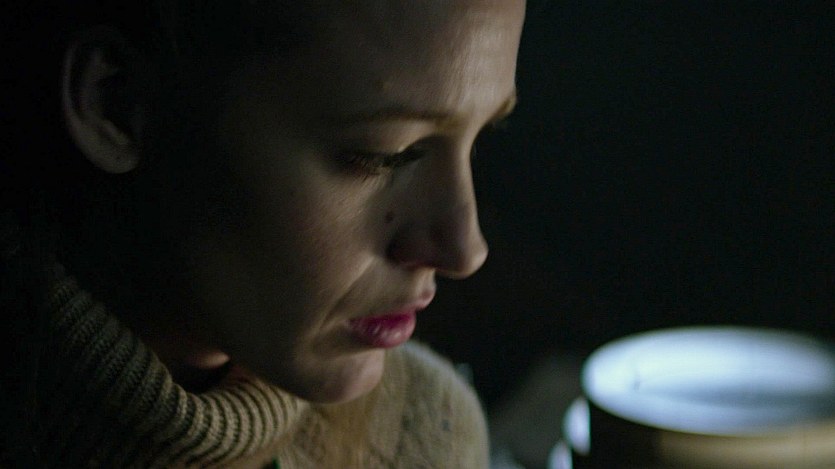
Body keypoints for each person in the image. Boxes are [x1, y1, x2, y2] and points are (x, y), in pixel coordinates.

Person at [0, 0, 525, 467]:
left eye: (479, 138)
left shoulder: (426, 435)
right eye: (383, 154)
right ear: (118, 104)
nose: (465, 249)